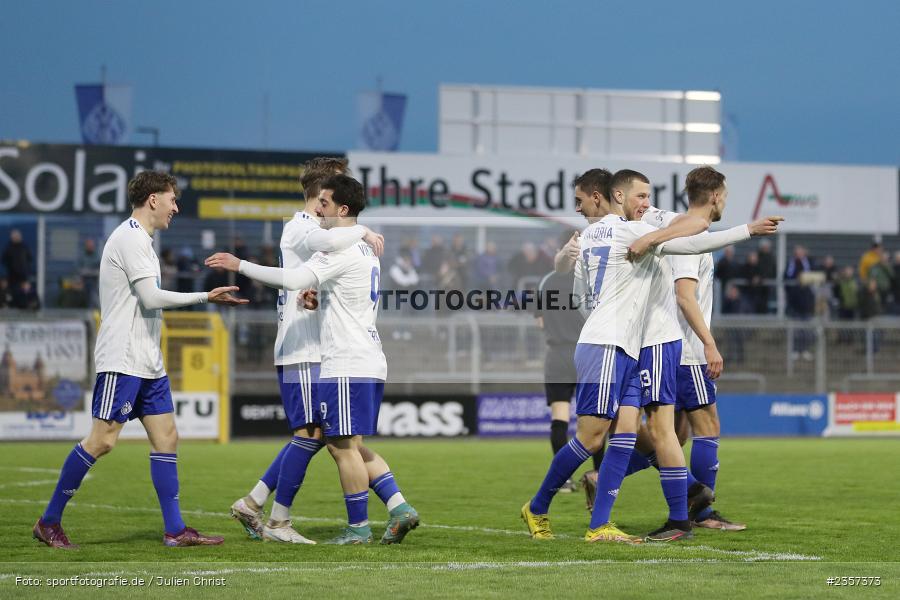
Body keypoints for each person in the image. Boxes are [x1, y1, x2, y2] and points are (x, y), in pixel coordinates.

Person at [521, 167, 781, 543]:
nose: (648, 203)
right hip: (610, 344)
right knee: (592, 440)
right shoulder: (630, 230)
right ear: (617, 196)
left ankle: (600, 526)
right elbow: (693, 236)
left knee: (625, 434)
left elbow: (579, 297)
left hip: (620, 343)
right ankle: (538, 506)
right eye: (641, 196)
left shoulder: (592, 235)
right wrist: (747, 231)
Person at [33, 171, 248, 549]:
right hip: (123, 357)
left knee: (167, 437)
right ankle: (48, 522)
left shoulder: (143, 240)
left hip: (148, 361)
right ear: (153, 199)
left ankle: (175, 530)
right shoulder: (130, 238)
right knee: (102, 441)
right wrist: (204, 298)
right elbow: (151, 298)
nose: (175, 208)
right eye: (172, 200)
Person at [208, 174, 419, 545]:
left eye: (323, 203)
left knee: (339, 445)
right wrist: (320, 300)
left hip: (344, 360)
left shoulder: (336, 246)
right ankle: (399, 507)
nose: (315, 209)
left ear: (341, 208)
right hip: (368, 356)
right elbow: (340, 290)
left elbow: (294, 278)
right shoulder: (365, 249)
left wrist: (240, 265)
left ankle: (355, 529)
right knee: (347, 442)